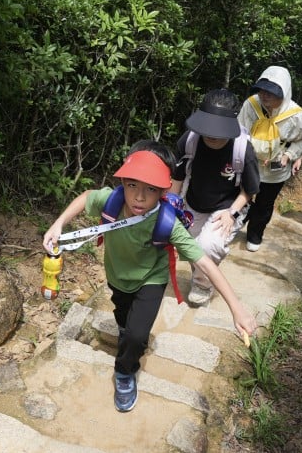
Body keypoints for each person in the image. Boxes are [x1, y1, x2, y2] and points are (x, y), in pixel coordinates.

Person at [42, 141, 257, 413]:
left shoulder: (167, 223)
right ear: (123, 182)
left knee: (135, 335)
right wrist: (58, 224)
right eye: (132, 186)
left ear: (164, 190)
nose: (139, 198)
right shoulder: (112, 200)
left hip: (151, 279)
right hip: (117, 275)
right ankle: (127, 334)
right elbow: (86, 197)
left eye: (150, 189)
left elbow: (204, 261)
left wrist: (236, 309)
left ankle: (124, 373)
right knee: (122, 315)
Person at [171, 89, 261, 306]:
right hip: (193, 200)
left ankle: (203, 283)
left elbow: (250, 190)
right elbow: (177, 176)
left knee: (209, 244)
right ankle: (200, 273)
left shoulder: (242, 150)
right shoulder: (190, 140)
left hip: (227, 205)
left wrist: (232, 213)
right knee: (188, 244)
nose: (211, 135)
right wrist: (170, 208)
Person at [237, 66, 302, 252]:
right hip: (250, 163)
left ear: (284, 93)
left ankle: (255, 234)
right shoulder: (251, 105)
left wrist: (289, 155)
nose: (265, 96)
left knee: (264, 203)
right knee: (240, 196)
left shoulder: (296, 115)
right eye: (262, 90)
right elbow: (239, 130)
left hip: (276, 168)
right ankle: (234, 225)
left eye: (271, 93)